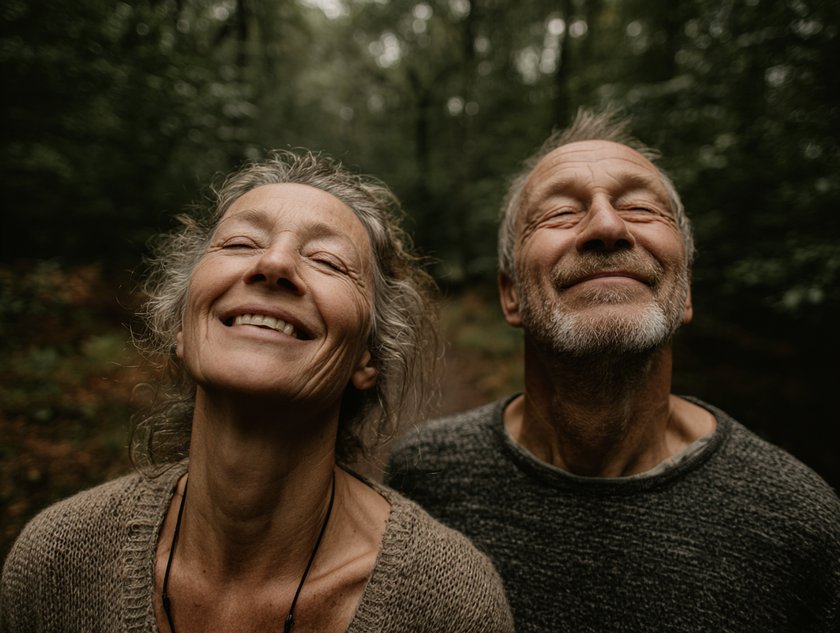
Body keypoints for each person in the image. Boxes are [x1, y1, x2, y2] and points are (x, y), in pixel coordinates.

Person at [0, 150, 514, 632]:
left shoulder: (450, 605)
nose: (274, 265)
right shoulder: (57, 560)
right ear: (181, 325)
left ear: (368, 357)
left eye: (329, 261)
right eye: (241, 243)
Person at [386, 109, 840, 632]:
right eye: (559, 212)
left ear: (686, 289)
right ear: (510, 295)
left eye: (642, 208)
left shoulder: (797, 523)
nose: (606, 227)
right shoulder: (424, 477)